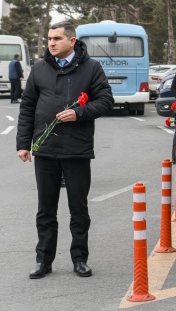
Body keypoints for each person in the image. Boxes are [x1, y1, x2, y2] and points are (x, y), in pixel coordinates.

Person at [16, 21, 114, 279]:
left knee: (78, 209)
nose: (51, 43)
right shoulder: (39, 69)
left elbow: (106, 100)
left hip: (76, 150)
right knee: (45, 209)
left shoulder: (91, 68)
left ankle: (80, 259)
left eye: (57, 38)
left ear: (72, 41)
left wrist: (79, 113)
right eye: (49, 38)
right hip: (45, 150)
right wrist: (23, 144)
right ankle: (43, 260)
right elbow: (27, 107)